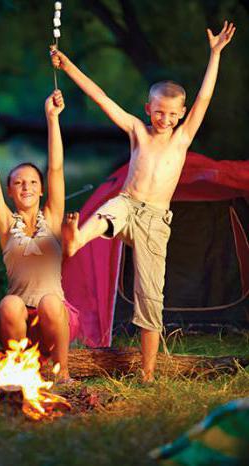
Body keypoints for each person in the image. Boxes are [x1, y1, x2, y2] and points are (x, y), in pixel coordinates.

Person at [50, 21, 235, 381]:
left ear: (180, 114)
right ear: (148, 108)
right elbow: (101, 98)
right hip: (128, 203)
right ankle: (77, 239)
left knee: (150, 298)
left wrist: (215, 54)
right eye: (159, 111)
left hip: (154, 222)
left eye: (172, 113)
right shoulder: (138, 131)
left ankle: (148, 374)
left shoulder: (181, 139)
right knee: (109, 210)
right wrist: (68, 65)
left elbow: (205, 99)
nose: (165, 119)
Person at [0, 86, 75, 381]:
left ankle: (62, 372)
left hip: (54, 318)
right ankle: (20, 370)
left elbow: (56, 168)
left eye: (33, 182)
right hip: (17, 323)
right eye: (19, 183)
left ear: (42, 188)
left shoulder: (53, 217)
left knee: (49, 301)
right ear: (10, 191)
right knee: (9, 302)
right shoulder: (7, 224)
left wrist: (52, 119)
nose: (26, 187)